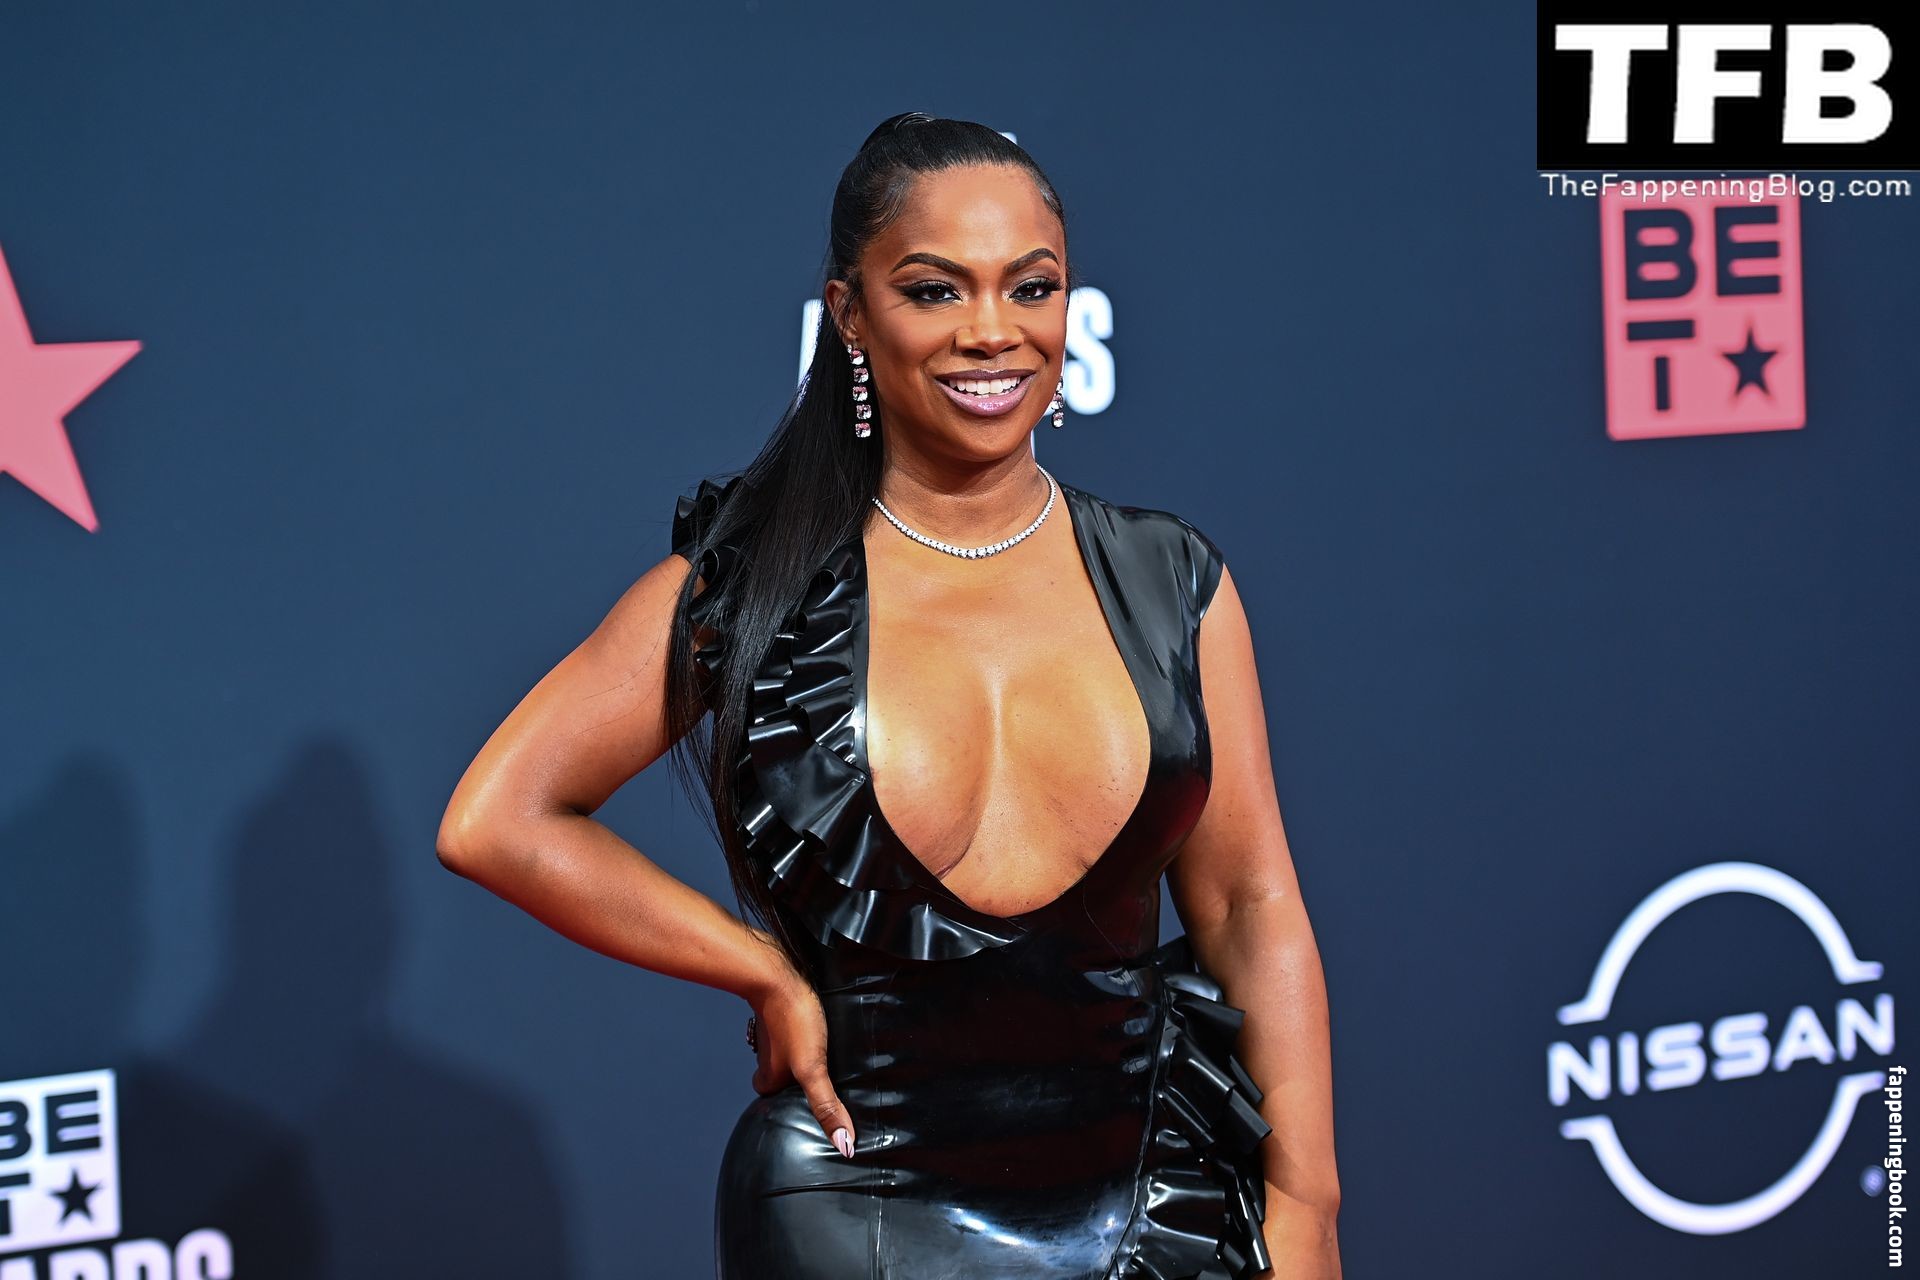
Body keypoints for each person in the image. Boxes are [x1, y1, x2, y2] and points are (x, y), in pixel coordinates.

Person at [438, 112, 1341, 1279]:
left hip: (1147, 1196)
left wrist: (1304, 1201)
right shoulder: (759, 585)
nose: (991, 330)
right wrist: (756, 964)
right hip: (855, 1200)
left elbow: (1251, 903)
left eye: (1032, 287)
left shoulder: (1175, 581)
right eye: (934, 290)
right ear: (850, 314)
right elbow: (497, 817)